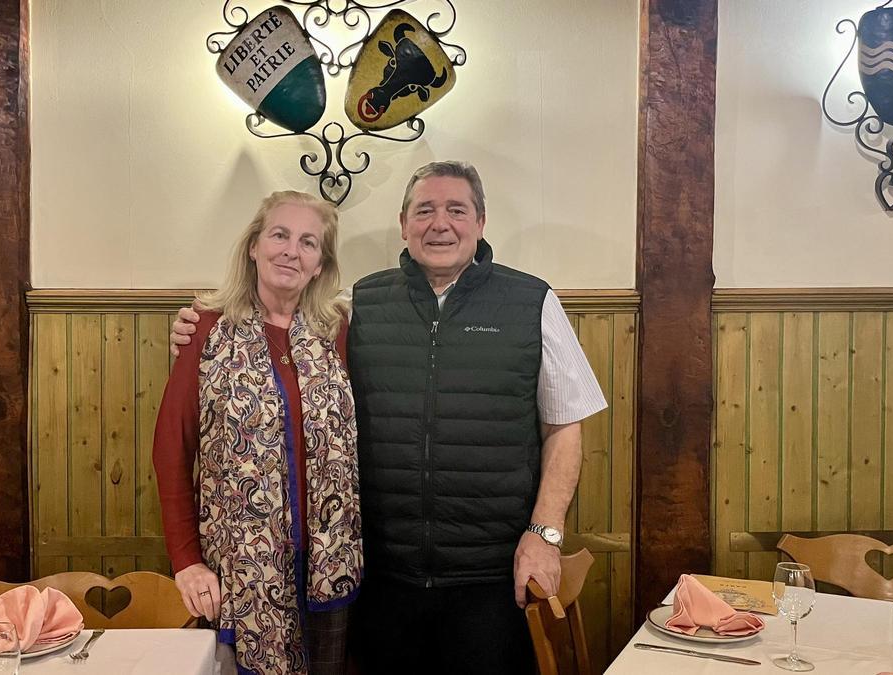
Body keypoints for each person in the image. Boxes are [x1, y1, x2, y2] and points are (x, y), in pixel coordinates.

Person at [173, 162, 606, 674]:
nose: (439, 223)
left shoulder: (533, 301)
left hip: (490, 577)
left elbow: (565, 425)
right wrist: (195, 327)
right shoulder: (359, 307)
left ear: (481, 222)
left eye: (456, 210)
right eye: (424, 210)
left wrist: (545, 533)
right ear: (403, 224)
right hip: (383, 579)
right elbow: (279, 333)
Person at [153, 190, 361, 675]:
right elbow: (170, 450)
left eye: (308, 243)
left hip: (330, 567)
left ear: (319, 265)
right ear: (254, 246)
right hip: (242, 569)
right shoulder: (206, 329)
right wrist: (186, 559)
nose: (291, 250)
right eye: (280, 235)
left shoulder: (337, 333)